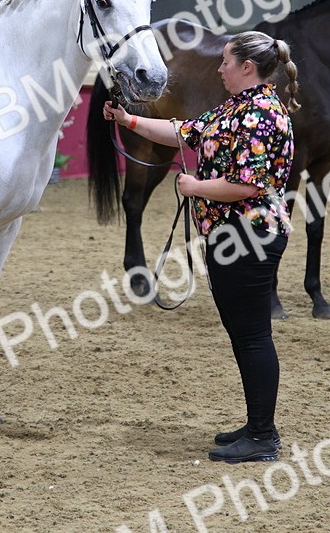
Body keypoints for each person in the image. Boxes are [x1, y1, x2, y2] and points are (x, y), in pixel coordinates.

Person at [103, 30, 299, 464]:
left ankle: (263, 435)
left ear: (247, 67)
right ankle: (256, 425)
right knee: (246, 336)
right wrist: (128, 119)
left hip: (250, 235)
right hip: (237, 236)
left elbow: (248, 184)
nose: (219, 67)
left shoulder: (260, 114)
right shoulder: (240, 108)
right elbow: (183, 132)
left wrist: (195, 186)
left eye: (226, 61)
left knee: (252, 338)